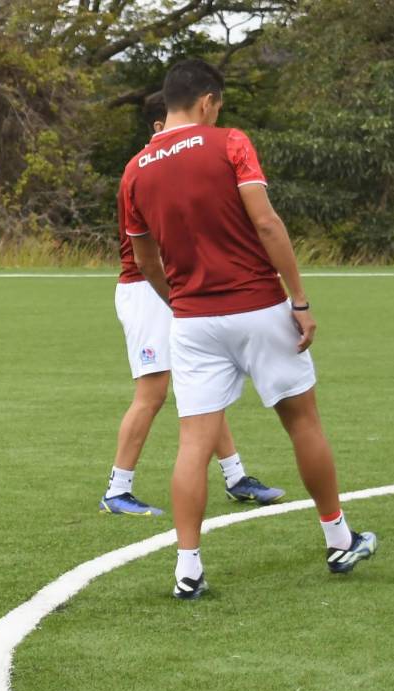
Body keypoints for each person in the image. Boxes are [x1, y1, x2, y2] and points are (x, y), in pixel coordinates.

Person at [119, 59, 377, 599]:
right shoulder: (229, 142)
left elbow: (145, 263)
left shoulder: (136, 169)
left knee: (193, 442)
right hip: (259, 305)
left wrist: (182, 301)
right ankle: (337, 537)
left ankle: (187, 569)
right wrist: (299, 300)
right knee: (302, 422)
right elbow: (265, 221)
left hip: (192, 322)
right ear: (208, 101)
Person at [102, 90, 283, 517]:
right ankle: (116, 489)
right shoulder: (143, 171)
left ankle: (236, 477)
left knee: (203, 388)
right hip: (147, 291)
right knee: (153, 392)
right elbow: (150, 254)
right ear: (157, 126)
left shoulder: (170, 166)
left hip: (177, 289)